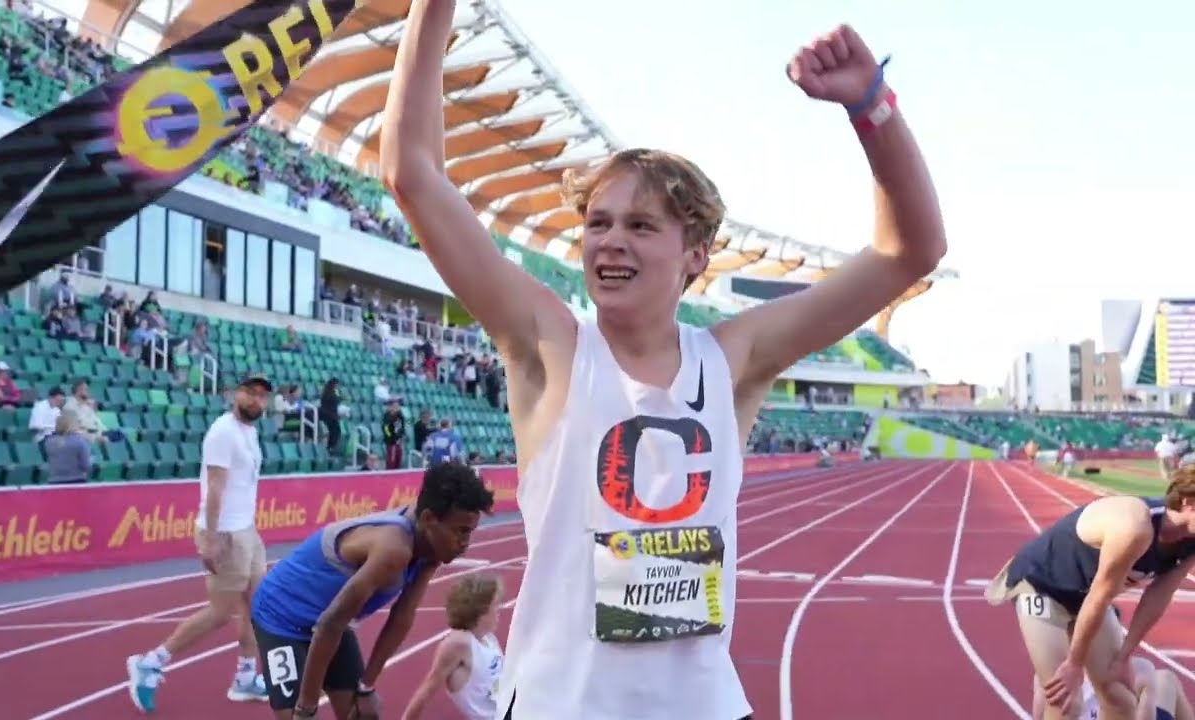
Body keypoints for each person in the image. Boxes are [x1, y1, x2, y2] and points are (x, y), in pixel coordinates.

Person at [379, 4, 945, 718]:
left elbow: (911, 252)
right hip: (563, 705)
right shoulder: (550, 345)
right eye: (597, 224)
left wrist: (872, 107)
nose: (610, 242)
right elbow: (412, 173)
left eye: (641, 226)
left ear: (696, 256)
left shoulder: (733, 359)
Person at [249, 460, 495, 720]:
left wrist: (366, 686)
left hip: (331, 620)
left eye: (471, 532)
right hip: (280, 617)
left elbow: (402, 617)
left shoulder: (433, 544)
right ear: (429, 519)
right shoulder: (394, 549)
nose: (465, 543)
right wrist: (306, 707)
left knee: (361, 714)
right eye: (461, 532)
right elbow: (328, 625)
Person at [986, 470, 1195, 720]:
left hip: (1087, 596)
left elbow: (1159, 595)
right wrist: (1075, 663)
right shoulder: (1135, 526)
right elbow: (1101, 594)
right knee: (1064, 697)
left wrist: (1124, 655)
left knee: (1119, 694)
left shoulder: (1190, 541)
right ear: (1188, 502)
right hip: (1042, 585)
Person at [127, 373, 274, 713]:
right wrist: (210, 537)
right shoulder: (223, 432)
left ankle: (245, 677)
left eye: (262, 396)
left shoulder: (250, 432)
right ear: (234, 394)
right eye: (250, 393)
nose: (256, 400)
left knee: (259, 605)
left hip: (246, 531)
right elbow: (216, 489)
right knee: (221, 613)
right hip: (225, 533)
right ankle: (150, 663)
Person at [1030, 607, 1194, 720]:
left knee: (1165, 678)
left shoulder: (1047, 673)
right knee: (1166, 680)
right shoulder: (1140, 670)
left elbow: (1039, 716)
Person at [401, 574, 505, 720]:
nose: (499, 611)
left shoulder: (490, 639)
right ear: (480, 611)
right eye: (495, 605)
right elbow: (427, 689)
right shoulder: (459, 644)